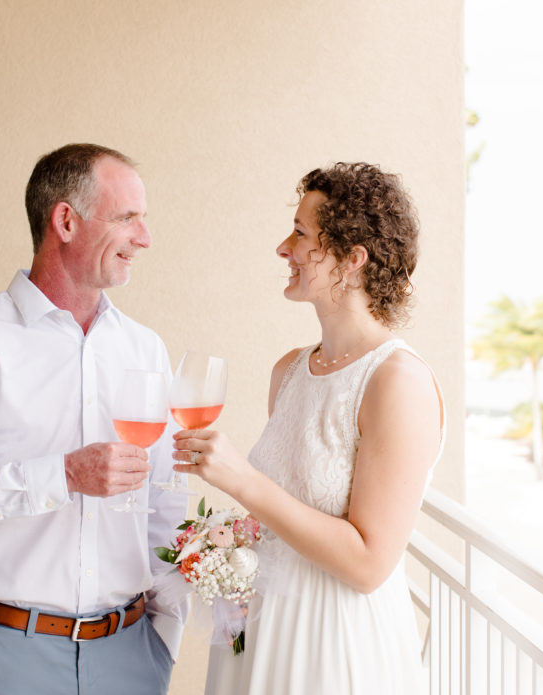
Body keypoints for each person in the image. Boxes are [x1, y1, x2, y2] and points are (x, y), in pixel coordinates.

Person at [0, 144, 187, 695]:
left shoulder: (146, 349)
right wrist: (62, 476)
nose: (145, 238)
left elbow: (164, 502)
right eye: (127, 218)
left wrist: (165, 635)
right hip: (12, 662)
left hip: (133, 658)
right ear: (65, 221)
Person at [172, 162, 445, 693]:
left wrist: (241, 480)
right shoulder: (290, 370)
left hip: (335, 648)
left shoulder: (396, 382)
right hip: (261, 633)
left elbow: (369, 564)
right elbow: (287, 513)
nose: (283, 248)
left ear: (352, 259)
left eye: (300, 234)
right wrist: (225, 543)